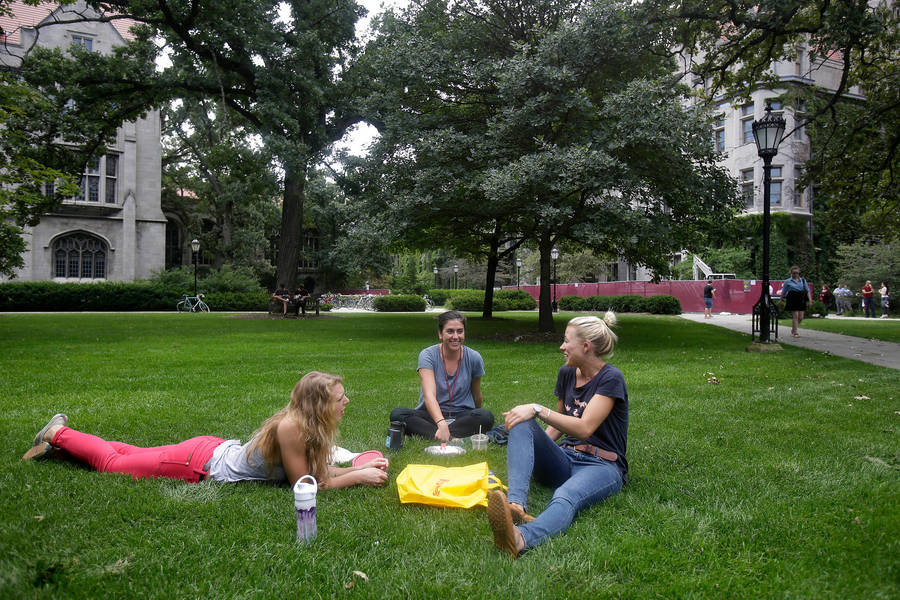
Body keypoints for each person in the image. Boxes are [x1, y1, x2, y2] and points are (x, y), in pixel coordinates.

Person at [22, 372, 389, 489]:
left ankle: (64, 447)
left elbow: (319, 471)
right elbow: (306, 485)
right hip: (197, 464)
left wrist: (359, 468)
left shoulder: (310, 425)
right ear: (319, 405)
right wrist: (358, 478)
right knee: (114, 465)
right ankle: (59, 435)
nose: (347, 403)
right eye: (340, 398)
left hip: (209, 450)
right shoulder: (292, 428)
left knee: (129, 455)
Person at [486, 313, 627, 558]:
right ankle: (515, 505)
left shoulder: (611, 378)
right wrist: (536, 451)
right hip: (565, 458)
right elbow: (561, 422)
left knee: (565, 495)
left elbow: (584, 428)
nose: (561, 346)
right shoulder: (567, 372)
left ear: (586, 346)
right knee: (522, 418)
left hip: (601, 465)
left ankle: (521, 538)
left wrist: (539, 409)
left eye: (566, 341)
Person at [389, 310, 494, 441]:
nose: (455, 336)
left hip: (461, 415)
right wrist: (441, 422)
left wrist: (476, 416)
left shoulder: (474, 357)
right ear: (440, 334)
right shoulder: (427, 355)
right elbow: (429, 395)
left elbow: (476, 394)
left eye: (460, 331)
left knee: (486, 416)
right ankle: (451, 437)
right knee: (398, 414)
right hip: (431, 416)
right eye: (450, 331)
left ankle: (436, 434)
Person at [781, 266, 812, 338]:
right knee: (795, 316)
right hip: (792, 298)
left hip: (801, 298)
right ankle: (795, 332)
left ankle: (794, 328)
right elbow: (784, 292)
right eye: (794, 273)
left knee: (801, 317)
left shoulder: (803, 280)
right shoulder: (788, 281)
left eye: (797, 273)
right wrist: (781, 300)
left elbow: (807, 291)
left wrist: (810, 300)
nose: (795, 275)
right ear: (791, 273)